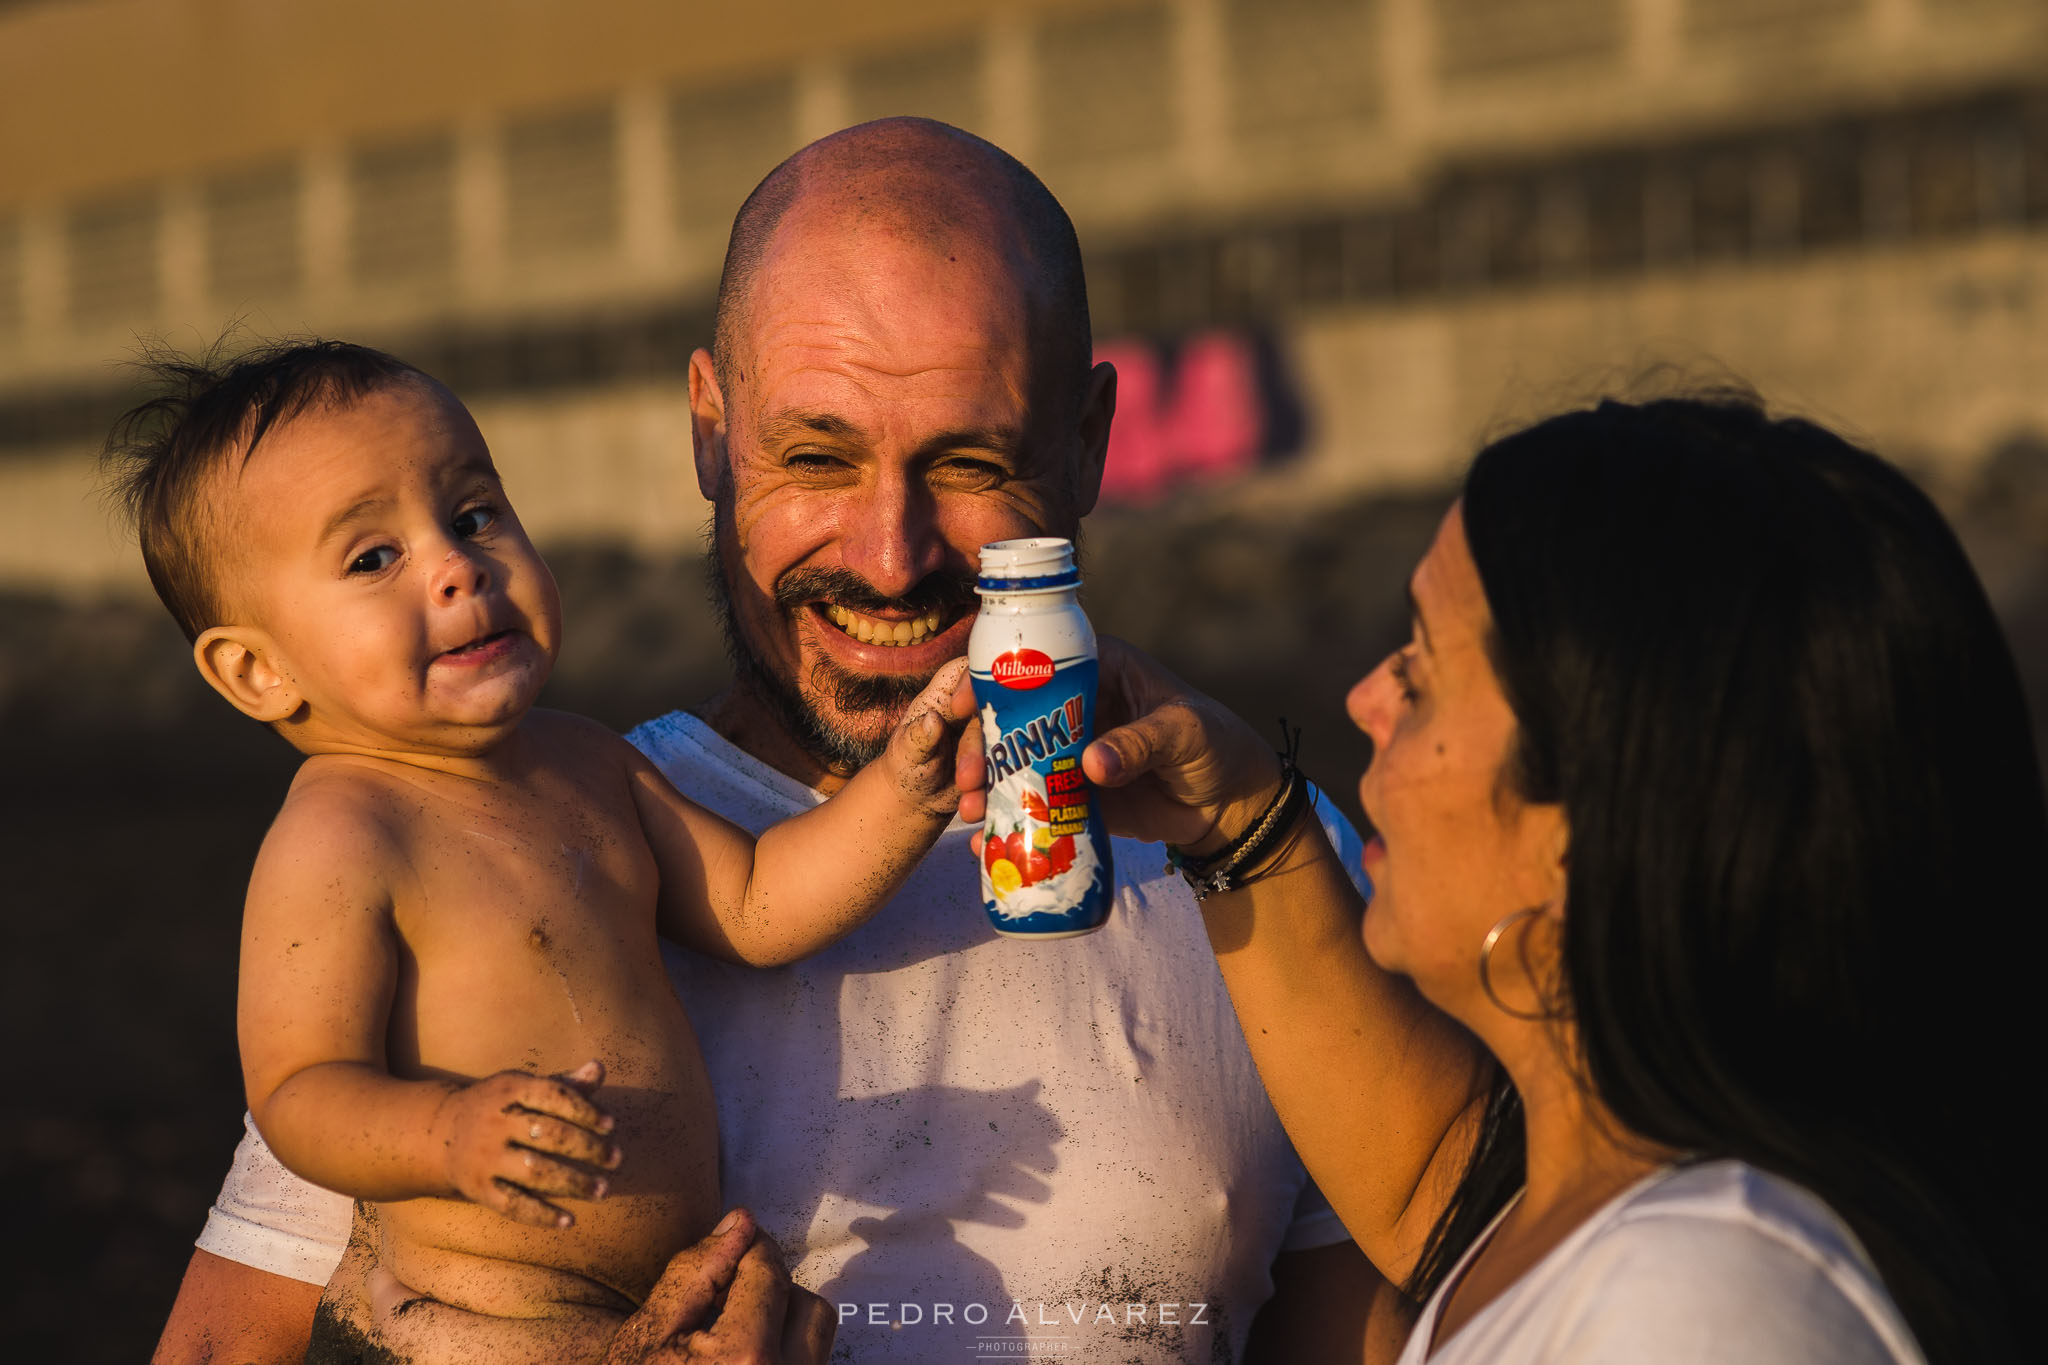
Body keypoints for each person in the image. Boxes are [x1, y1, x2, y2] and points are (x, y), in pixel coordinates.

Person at [154, 119, 1479, 1364]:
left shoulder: (1278, 881)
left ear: (1084, 445)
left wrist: (1241, 834)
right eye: (818, 459)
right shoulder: (484, 847)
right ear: (709, 430)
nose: (891, 557)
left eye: (969, 461)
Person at [1066, 394, 2039, 1363]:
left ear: (1590, 817)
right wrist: (1236, 819)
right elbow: (1431, 1184)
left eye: (1422, 671)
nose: (1364, 697)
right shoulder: (1584, 1208)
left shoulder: (1695, 1303)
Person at [110, 340, 977, 1364]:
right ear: (256, 671)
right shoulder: (341, 835)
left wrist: (907, 789)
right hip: (478, 1319)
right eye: (371, 558)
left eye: (473, 515)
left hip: (648, 1288)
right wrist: (448, 1134)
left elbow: (755, 904)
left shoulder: (588, 765)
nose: (454, 565)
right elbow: (299, 1091)